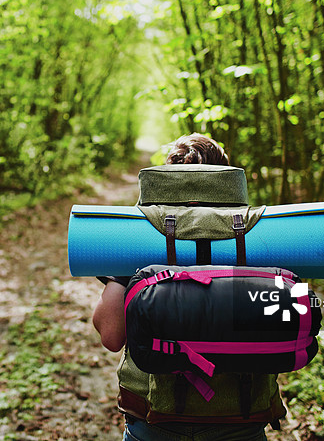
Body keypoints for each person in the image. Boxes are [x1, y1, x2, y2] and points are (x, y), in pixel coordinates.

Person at [92, 133, 282, 441]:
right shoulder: (258, 235)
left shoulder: (140, 237)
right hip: (243, 418)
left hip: (155, 420)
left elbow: (112, 336)